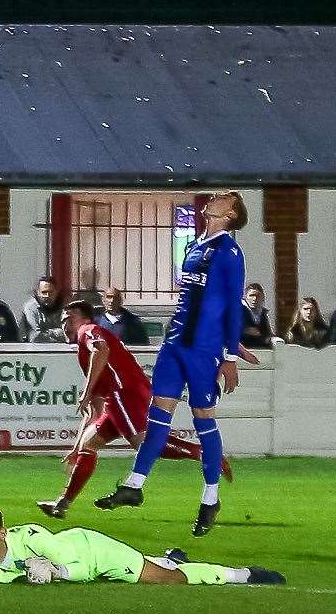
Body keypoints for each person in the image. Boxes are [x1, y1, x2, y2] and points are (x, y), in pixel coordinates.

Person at [96, 191, 248, 537]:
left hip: (204, 350)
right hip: (175, 343)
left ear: (231, 212)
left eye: (224, 197)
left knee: (202, 418)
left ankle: (211, 499)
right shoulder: (195, 245)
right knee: (158, 415)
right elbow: (195, 300)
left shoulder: (229, 252)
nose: (215, 196)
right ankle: (134, 485)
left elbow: (231, 305)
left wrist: (230, 356)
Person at [36, 301, 232, 519]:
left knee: (144, 443)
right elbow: (94, 411)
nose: (66, 324)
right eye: (63, 320)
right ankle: (62, 504)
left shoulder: (88, 330)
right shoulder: (85, 348)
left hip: (123, 392)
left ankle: (204, 453)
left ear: (85, 320)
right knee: (88, 444)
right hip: (120, 397)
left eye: (70, 319)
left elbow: (101, 349)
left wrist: (86, 390)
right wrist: (74, 448)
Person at [0, 505, 285, 586]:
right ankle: (168, 557)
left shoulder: (32, 538)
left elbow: (84, 570)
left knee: (170, 581)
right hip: (80, 557)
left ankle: (243, 574)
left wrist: (56, 570)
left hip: (94, 551)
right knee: (159, 566)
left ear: (3, 532)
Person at [19, 275, 65, 343]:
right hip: (33, 350)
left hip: (62, 350)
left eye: (51, 292)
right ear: (37, 293)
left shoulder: (63, 307)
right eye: (44, 292)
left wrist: (47, 333)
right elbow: (35, 337)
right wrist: (57, 333)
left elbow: (69, 334)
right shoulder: (31, 308)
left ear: (56, 292)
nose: (47, 296)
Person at [240, 282, 274, 348]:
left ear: (262, 298)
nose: (254, 299)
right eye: (251, 295)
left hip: (261, 350)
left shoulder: (263, 313)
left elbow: (267, 333)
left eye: (258, 296)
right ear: (246, 297)